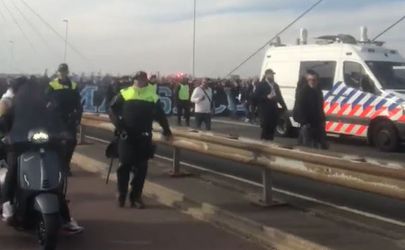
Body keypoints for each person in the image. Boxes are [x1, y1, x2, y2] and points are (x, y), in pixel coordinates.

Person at [0, 77, 84, 234]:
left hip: (42, 145)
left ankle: (65, 217)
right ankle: (6, 204)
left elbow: (55, 121)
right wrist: (7, 135)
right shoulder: (13, 106)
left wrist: (64, 133)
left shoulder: (45, 107)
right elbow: (5, 122)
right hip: (19, 146)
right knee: (13, 169)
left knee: (57, 172)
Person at [109, 71, 172, 208]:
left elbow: (160, 115)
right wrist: (119, 125)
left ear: (146, 81)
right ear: (134, 80)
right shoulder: (125, 93)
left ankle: (136, 197)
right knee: (124, 166)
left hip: (143, 136)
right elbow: (112, 110)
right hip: (126, 136)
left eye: (143, 79)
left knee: (141, 168)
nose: (140, 81)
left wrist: (166, 130)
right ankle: (121, 193)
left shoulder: (152, 96)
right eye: (138, 79)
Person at [46, 63, 83, 176]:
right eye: (61, 71)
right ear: (58, 72)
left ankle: (65, 165)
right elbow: (45, 100)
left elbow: (78, 103)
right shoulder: (52, 85)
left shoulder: (73, 85)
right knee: (55, 142)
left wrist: (78, 119)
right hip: (55, 118)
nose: (62, 73)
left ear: (67, 72)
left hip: (70, 118)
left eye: (64, 71)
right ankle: (56, 165)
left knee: (71, 142)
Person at [293, 70, 328, 149]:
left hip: (316, 122)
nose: (312, 82)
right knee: (306, 145)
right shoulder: (303, 91)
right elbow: (300, 107)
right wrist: (304, 122)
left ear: (317, 81)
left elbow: (319, 107)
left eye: (314, 80)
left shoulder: (318, 91)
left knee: (319, 144)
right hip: (307, 123)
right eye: (310, 80)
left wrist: (322, 118)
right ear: (307, 81)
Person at [253, 69, 287, 141]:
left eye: (272, 74)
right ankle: (263, 144)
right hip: (264, 110)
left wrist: (284, 106)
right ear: (266, 75)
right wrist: (266, 97)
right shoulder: (261, 84)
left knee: (272, 129)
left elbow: (280, 97)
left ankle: (270, 144)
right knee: (265, 128)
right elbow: (255, 97)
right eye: (270, 74)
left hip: (273, 109)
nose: (272, 76)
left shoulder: (275, 85)